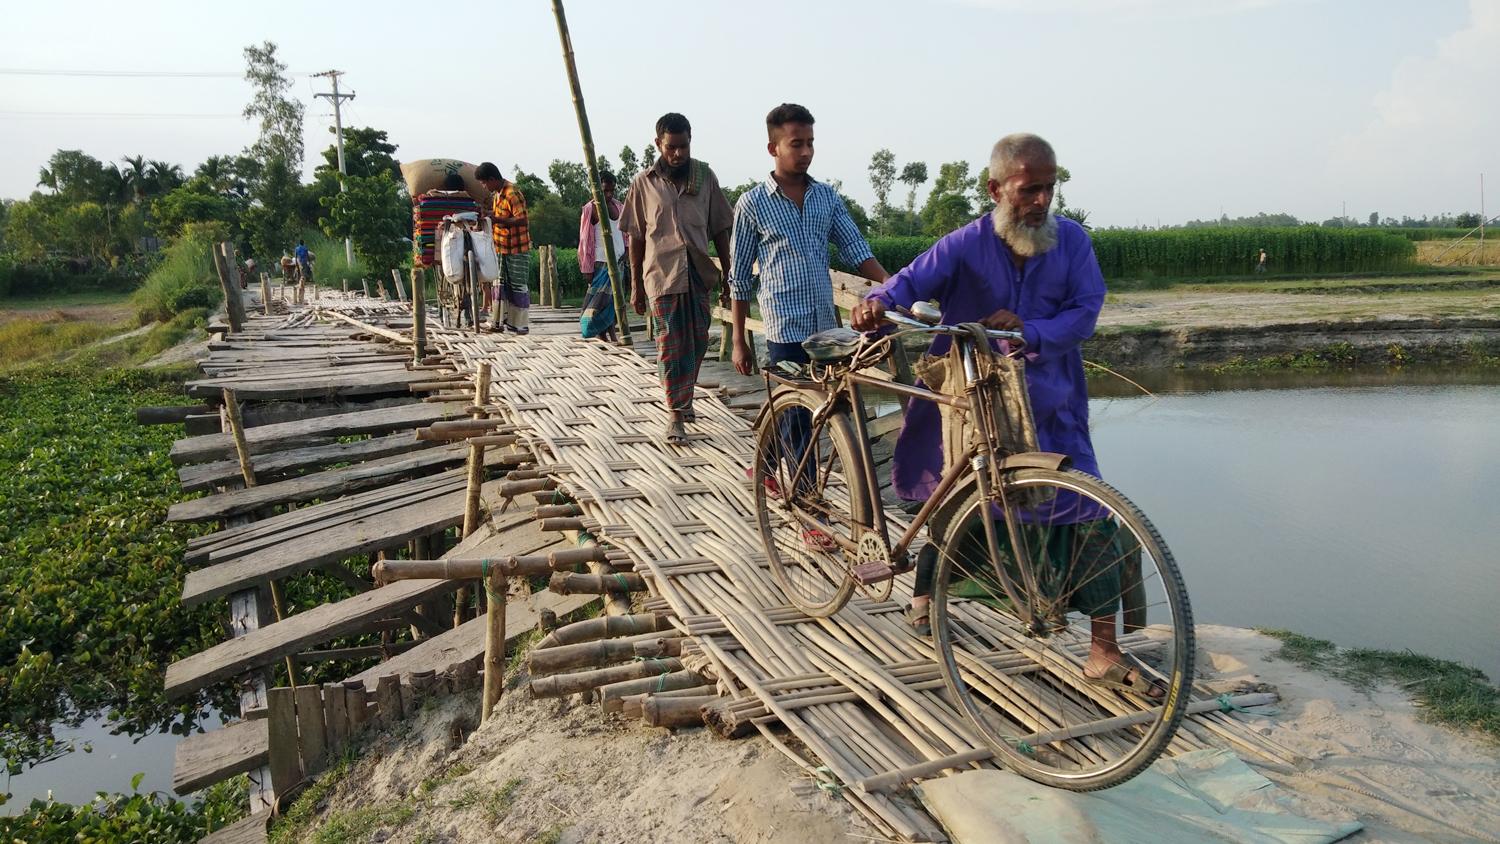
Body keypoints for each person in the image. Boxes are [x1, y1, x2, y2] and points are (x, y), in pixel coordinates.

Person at [851, 133, 1163, 700]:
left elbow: (1085, 311)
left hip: (1054, 405)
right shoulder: (966, 243)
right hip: (978, 402)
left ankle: (1103, 652)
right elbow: (910, 281)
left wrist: (1031, 329)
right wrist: (879, 302)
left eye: (1049, 187)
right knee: (958, 497)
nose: (1041, 200)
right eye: (1028, 190)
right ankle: (925, 598)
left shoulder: (1072, 243)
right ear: (997, 189)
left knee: (1088, 510)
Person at [728, 103, 889, 547]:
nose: (806, 152)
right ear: (772, 147)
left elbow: (857, 249)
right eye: (796, 144)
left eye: (810, 143)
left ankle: (764, 468)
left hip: (826, 331)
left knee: (814, 417)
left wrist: (893, 285)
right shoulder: (753, 204)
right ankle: (812, 520)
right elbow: (739, 277)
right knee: (800, 420)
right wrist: (740, 339)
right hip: (783, 329)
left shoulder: (826, 198)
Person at [620, 112, 734, 445]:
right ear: (659, 144)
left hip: (698, 273)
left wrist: (729, 272)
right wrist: (635, 285)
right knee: (670, 345)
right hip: (661, 275)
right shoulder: (644, 183)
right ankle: (675, 414)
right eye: (672, 147)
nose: (678, 154)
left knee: (698, 340)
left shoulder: (705, 176)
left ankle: (684, 398)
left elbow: (720, 229)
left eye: (684, 146)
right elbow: (636, 237)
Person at [412, 173, 481, 320]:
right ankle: (468, 314)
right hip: (463, 244)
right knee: (466, 276)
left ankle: (442, 309)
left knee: (440, 272)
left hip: (440, 244)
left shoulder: (431, 197)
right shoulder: (468, 199)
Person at [475, 162, 532, 334]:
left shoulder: (512, 193)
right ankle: (498, 323)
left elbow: (522, 219)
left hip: (517, 248)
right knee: (499, 285)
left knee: (517, 286)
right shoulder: (498, 195)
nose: (484, 187)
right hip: (501, 247)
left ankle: (520, 325)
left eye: (485, 183)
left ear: (492, 179)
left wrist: (497, 219)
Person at [578, 171, 629, 342]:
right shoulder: (590, 209)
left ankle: (612, 333)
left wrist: (627, 251)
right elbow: (585, 240)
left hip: (619, 261)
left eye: (611, 191)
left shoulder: (619, 206)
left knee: (614, 300)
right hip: (600, 262)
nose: (608, 194)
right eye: (605, 190)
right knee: (600, 301)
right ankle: (602, 336)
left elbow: (625, 233)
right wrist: (586, 267)